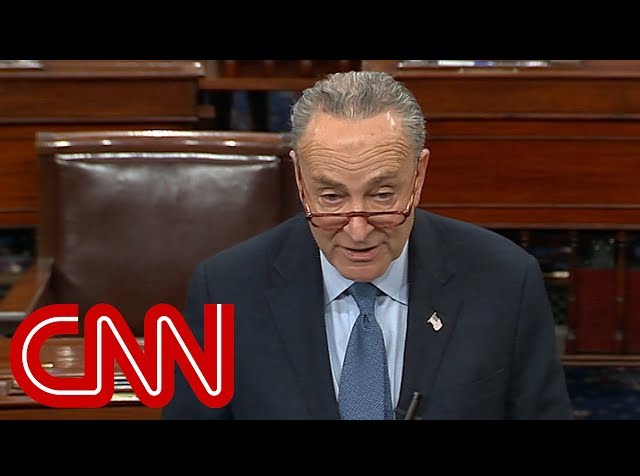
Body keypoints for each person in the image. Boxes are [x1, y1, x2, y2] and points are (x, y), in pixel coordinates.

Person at [162, 70, 573, 420]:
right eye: (331, 198)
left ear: (418, 175)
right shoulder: (227, 290)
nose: (358, 232)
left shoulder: (505, 281)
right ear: (300, 181)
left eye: (381, 197)